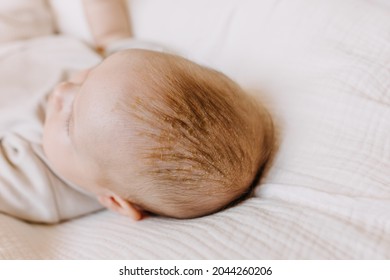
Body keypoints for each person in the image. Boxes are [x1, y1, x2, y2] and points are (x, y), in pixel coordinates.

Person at [0, 0, 274, 223]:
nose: (61, 91)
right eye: (91, 74)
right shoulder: (137, 76)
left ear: (116, 202)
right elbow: (112, 36)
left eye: (69, 123)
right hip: (31, 36)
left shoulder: (39, 185)